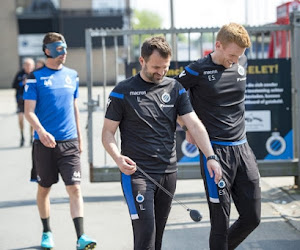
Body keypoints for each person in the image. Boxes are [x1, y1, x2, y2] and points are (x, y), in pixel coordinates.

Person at [102, 36, 222, 250]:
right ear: (142, 61)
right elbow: (108, 134)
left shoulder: (175, 88)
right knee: (145, 235)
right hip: (137, 173)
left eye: (165, 67)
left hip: (168, 173)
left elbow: (194, 124)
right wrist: (118, 158)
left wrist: (211, 157)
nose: (161, 72)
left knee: (157, 239)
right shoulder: (123, 91)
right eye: (156, 67)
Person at [174, 23, 261, 250]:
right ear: (218, 45)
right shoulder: (197, 70)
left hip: (243, 148)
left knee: (252, 217)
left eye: (239, 55)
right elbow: (167, 100)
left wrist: (236, 58)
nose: (234, 59)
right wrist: (187, 128)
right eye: (231, 54)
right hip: (214, 151)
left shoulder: (241, 62)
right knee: (220, 224)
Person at [24, 32, 97, 249]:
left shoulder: (72, 75)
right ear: (47, 50)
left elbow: (74, 106)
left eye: (64, 48)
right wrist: (41, 131)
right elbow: (29, 112)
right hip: (43, 143)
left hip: (69, 142)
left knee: (74, 188)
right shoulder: (34, 77)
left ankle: (81, 237)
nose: (63, 53)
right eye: (58, 49)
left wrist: (80, 138)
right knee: (44, 188)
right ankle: (47, 232)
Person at [12, 57, 35, 146]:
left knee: (32, 119)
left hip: (32, 100)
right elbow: (13, 85)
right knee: (21, 118)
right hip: (21, 99)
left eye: (30, 65)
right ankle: (22, 136)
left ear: (33, 66)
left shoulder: (35, 74)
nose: (28, 67)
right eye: (26, 65)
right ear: (24, 66)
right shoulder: (20, 74)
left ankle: (31, 137)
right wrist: (22, 83)